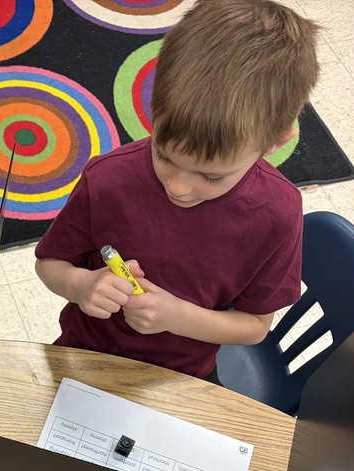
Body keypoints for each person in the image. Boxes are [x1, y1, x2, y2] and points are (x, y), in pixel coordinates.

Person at [34, 0, 320, 382]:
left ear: (275, 144)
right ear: (153, 107)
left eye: (212, 177)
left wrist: (176, 317)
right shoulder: (109, 178)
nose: (178, 186)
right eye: (163, 155)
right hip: (82, 354)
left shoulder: (278, 213)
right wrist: (81, 285)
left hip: (184, 376)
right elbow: (50, 264)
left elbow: (254, 326)